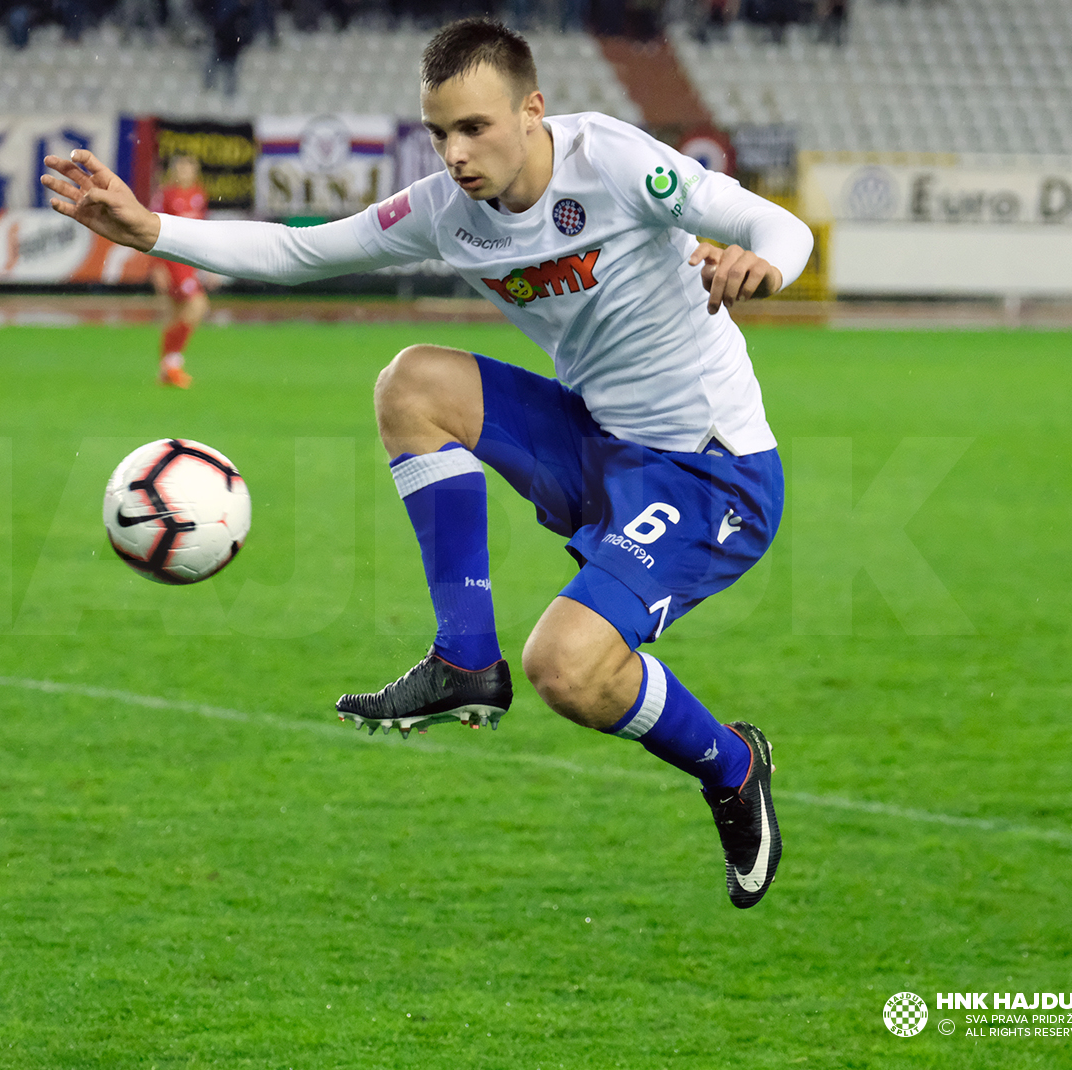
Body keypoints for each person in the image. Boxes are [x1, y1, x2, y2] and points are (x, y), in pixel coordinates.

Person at [43, 18, 812, 910]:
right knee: (411, 384)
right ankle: (463, 658)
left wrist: (767, 264)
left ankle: (732, 765)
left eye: (475, 127)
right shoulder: (446, 211)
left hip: (710, 470)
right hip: (595, 437)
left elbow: (771, 221)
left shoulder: (614, 162)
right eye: (440, 132)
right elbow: (302, 251)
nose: (455, 153)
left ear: (533, 111)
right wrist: (150, 231)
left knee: (568, 670)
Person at [146, 155, 209, 389]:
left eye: (190, 167)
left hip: (189, 262)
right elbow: (153, 230)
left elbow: (201, 232)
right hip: (173, 261)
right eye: (181, 167)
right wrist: (158, 266)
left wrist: (208, 265)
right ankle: (172, 363)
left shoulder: (199, 194)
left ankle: (168, 369)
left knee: (176, 314)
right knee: (198, 306)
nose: (185, 172)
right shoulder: (165, 195)